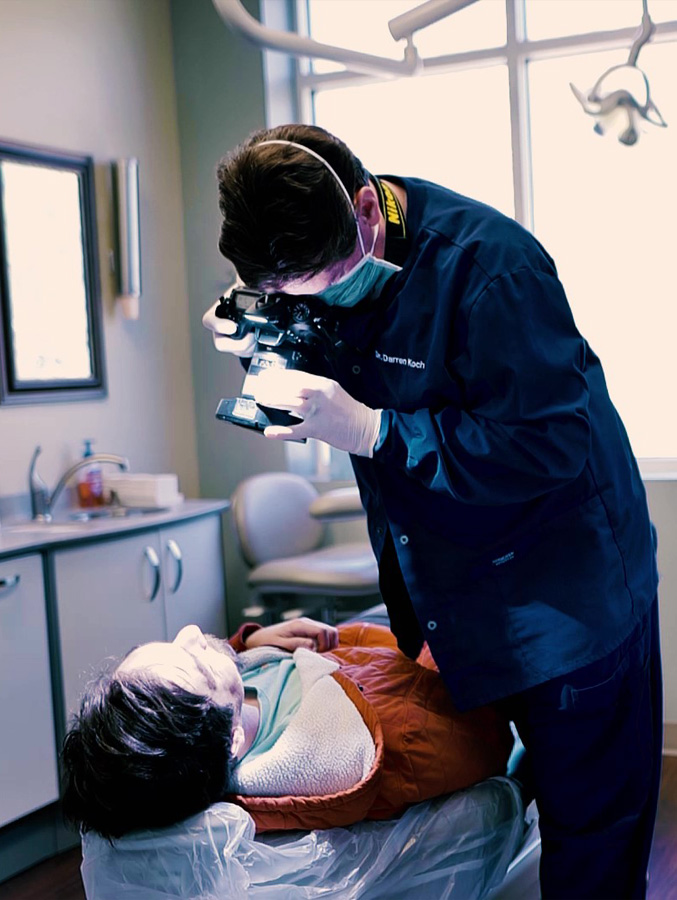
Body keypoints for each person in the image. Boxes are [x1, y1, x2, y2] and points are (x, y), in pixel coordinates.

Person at [203, 123, 663, 900]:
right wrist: (258, 341)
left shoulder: (489, 269)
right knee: (501, 799)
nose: (322, 300)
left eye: (324, 280)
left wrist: (376, 428)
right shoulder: (319, 262)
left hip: (565, 596)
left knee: (591, 841)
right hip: (450, 595)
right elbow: (311, 332)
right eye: (290, 292)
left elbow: (547, 445)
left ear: (364, 210)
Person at [61, 617, 514, 841]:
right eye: (197, 662)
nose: (192, 630)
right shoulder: (386, 742)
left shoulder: (208, 732)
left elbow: (212, 704)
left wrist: (249, 645)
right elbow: (488, 732)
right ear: (233, 739)